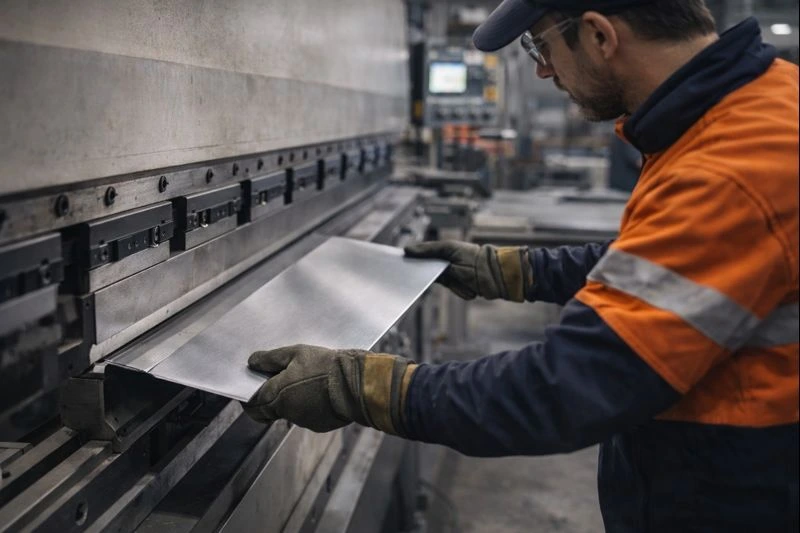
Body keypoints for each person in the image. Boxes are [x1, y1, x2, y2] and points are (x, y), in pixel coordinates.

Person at [244, 1, 799, 531]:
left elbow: (567, 388)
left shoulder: (730, 166)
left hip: (740, 496)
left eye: (543, 45)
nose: (542, 71)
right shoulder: (758, 105)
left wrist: (362, 387)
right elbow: (667, 271)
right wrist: (508, 270)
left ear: (601, 36)